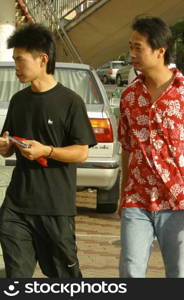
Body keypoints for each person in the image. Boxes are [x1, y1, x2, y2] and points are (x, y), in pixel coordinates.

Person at [117, 16, 184, 278]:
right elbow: (126, 148)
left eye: (138, 47)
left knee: (178, 274)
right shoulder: (129, 97)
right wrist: (122, 194)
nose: (132, 54)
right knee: (130, 270)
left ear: (160, 50)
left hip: (178, 200)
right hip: (136, 198)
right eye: (131, 47)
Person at [0, 24, 96, 278]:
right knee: (16, 277)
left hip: (55, 207)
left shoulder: (70, 102)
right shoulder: (18, 101)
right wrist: (6, 146)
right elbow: (7, 146)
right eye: (14, 61)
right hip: (16, 206)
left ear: (43, 59)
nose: (16, 67)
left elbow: (81, 152)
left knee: (64, 279)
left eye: (20, 60)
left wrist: (47, 151)